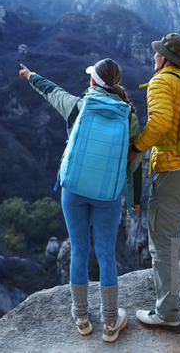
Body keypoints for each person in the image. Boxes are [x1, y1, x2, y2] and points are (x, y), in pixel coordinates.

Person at [19, 59, 142, 343]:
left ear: (93, 82)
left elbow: (51, 91)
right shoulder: (129, 117)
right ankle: (111, 323)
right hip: (107, 195)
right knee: (106, 255)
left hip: (73, 190)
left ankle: (82, 318)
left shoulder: (78, 106)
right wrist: (134, 199)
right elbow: (133, 163)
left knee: (79, 250)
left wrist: (30, 75)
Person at [130, 33, 180, 331]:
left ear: (166, 59)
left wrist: (137, 147)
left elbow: (161, 121)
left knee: (163, 244)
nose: (154, 57)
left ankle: (167, 313)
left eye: (157, 53)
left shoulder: (163, 81)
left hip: (174, 172)